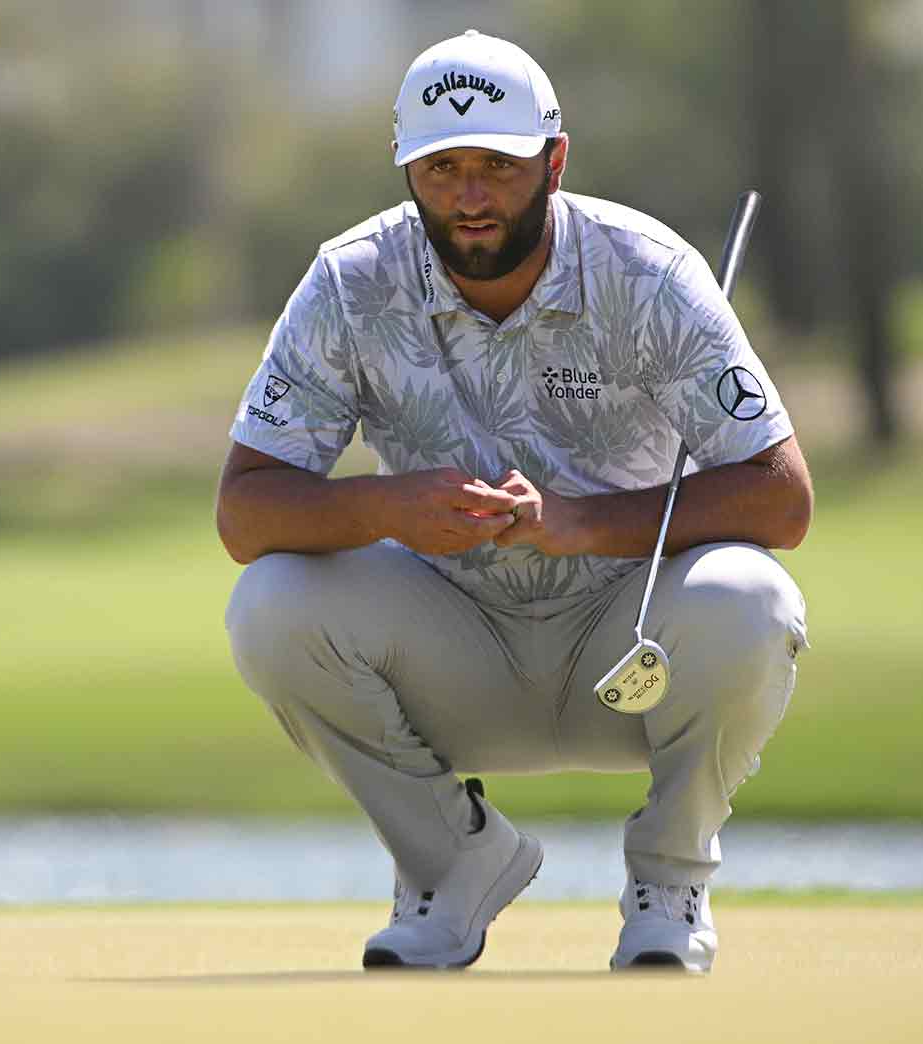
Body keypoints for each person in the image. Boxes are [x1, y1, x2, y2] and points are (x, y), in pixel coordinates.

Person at [216, 29, 812, 973]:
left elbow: (782, 498)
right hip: (449, 646)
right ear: (408, 169)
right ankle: (453, 866)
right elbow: (245, 512)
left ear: (554, 161)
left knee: (753, 596)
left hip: (630, 645)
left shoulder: (647, 270)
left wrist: (581, 524)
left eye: (498, 163)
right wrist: (388, 505)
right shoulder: (350, 279)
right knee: (270, 605)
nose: (470, 194)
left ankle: (669, 880)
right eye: (442, 166)